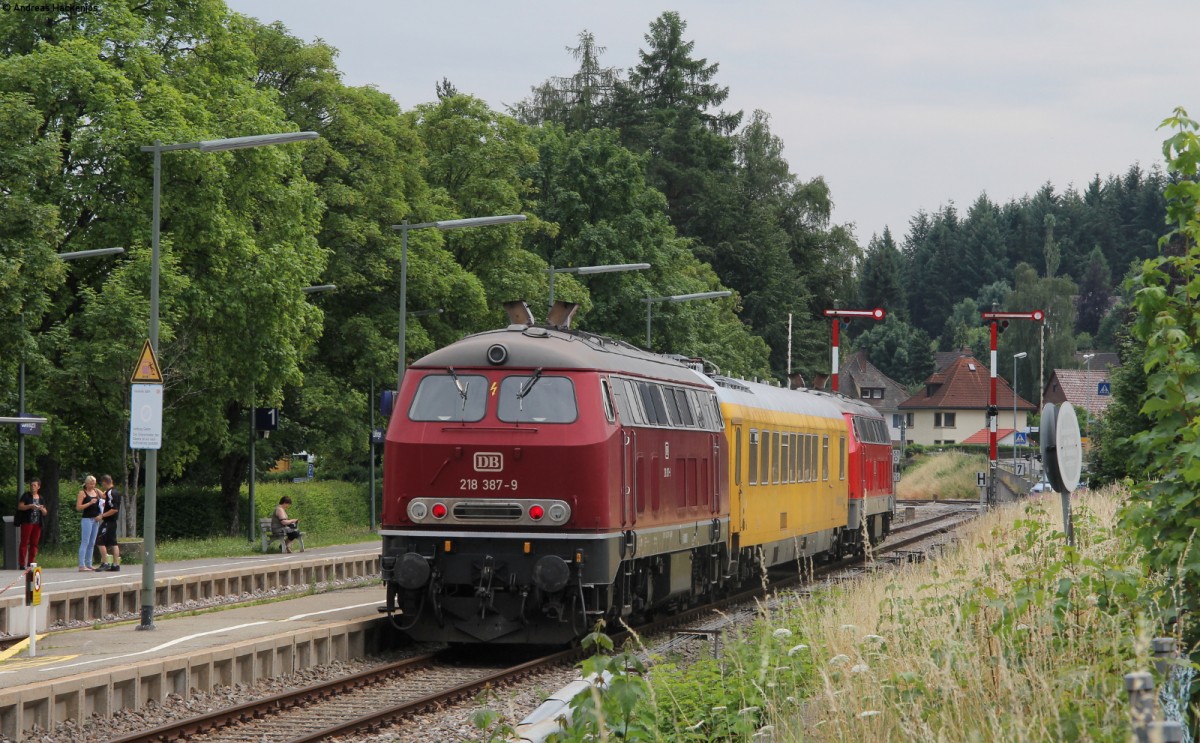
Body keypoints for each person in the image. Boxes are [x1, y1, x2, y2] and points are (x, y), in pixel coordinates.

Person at [16, 477, 48, 570]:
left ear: (38, 487)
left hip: (37, 523)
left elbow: (45, 512)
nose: (32, 487)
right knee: (25, 542)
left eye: (34, 485)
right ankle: (22, 563)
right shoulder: (26, 496)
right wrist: (30, 506)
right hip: (27, 521)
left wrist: (42, 509)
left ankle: (31, 562)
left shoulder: (41, 498)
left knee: (34, 543)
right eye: (31, 485)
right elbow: (20, 507)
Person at [75, 475, 104, 571]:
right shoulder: (82, 493)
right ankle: (81, 565)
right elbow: (78, 507)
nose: (92, 485)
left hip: (95, 519)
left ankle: (89, 563)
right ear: (86, 484)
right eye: (91, 484)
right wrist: (89, 503)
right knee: (85, 542)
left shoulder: (96, 491)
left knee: (92, 543)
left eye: (94, 483)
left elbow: (105, 497)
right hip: (87, 519)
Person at [96, 474, 122, 571]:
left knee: (99, 540)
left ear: (104, 482)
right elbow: (104, 496)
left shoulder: (111, 493)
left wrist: (102, 516)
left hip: (108, 521)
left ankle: (105, 562)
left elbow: (114, 509)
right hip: (113, 521)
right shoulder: (113, 492)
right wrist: (96, 489)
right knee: (113, 542)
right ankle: (115, 565)